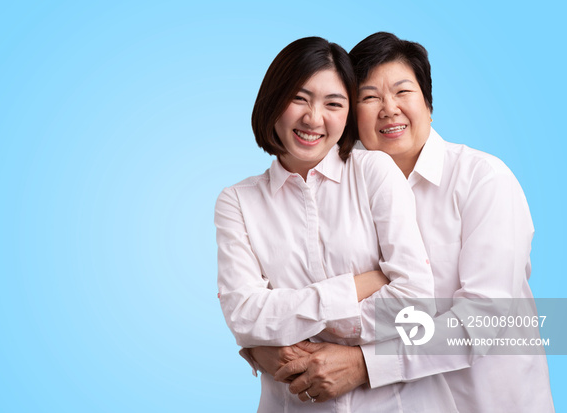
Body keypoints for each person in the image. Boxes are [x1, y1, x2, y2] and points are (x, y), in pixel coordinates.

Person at [255, 32, 555, 412]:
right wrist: (259, 345)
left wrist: (365, 363)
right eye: (369, 97)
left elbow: (485, 317)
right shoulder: (325, 188)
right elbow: (293, 298)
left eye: (402, 92)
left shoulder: (483, 180)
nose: (388, 109)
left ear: (428, 104)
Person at [215, 36, 457, 412]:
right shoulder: (238, 202)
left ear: (347, 115)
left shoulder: (374, 171)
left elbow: (416, 303)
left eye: (333, 103)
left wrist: (282, 333)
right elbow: (244, 315)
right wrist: (361, 285)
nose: (314, 118)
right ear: (273, 101)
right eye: (299, 98)